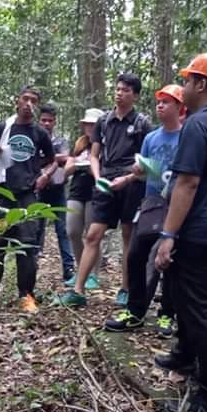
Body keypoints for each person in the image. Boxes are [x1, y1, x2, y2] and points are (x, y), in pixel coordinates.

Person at [153, 53, 207, 412]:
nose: (183, 87)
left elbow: (187, 182)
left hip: (197, 227)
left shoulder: (199, 125)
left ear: (201, 85)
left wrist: (168, 234)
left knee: (203, 311)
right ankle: (186, 359)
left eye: (187, 81)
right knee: (190, 303)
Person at [60, 73, 151, 308]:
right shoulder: (104, 121)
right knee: (92, 234)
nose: (120, 93)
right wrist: (99, 178)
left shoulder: (142, 123)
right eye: (118, 88)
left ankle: (125, 288)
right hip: (106, 182)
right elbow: (94, 155)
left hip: (131, 184)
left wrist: (129, 178)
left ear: (136, 95)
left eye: (126, 90)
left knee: (127, 235)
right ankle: (78, 290)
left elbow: (147, 162)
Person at [105, 84, 184, 333]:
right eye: (159, 102)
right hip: (151, 205)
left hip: (176, 206)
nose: (160, 106)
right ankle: (135, 310)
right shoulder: (151, 138)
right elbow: (145, 172)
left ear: (180, 108)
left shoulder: (187, 136)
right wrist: (134, 173)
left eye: (167, 102)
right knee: (136, 255)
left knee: (170, 260)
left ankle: (167, 314)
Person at [0, 86, 55, 313]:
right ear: (17, 101)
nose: (28, 103)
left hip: (27, 196)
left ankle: (27, 295)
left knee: (27, 246)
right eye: (25, 98)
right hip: (1, 195)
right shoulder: (2, 128)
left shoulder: (40, 133)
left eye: (33, 100)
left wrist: (45, 176)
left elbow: (53, 161)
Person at [65, 109, 105, 288]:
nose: (90, 127)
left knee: (92, 234)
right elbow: (66, 170)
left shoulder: (105, 144)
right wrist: (74, 166)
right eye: (87, 124)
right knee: (72, 231)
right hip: (76, 191)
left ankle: (93, 275)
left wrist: (94, 168)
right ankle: (81, 269)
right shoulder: (80, 143)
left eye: (93, 124)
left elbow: (107, 169)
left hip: (94, 192)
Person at [36, 103, 75, 282]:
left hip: (58, 189)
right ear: (39, 120)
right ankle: (32, 266)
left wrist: (46, 159)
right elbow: (33, 160)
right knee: (36, 228)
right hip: (39, 189)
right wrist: (54, 159)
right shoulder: (35, 138)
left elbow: (66, 157)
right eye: (43, 120)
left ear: (55, 122)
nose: (46, 123)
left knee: (63, 230)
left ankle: (68, 269)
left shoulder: (60, 140)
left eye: (50, 120)